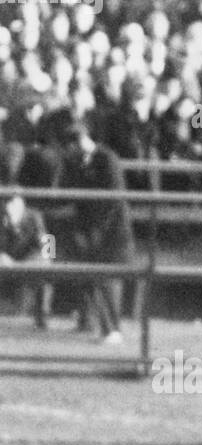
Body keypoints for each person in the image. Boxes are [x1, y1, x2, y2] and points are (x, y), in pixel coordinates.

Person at [60, 121, 134, 345]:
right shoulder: (80, 162)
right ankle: (96, 324)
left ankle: (113, 330)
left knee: (107, 280)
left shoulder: (107, 158)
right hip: (92, 230)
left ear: (80, 141)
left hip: (112, 230)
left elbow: (113, 198)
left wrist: (97, 229)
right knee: (92, 277)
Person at [0, 191, 52, 329]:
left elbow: (47, 240)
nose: (11, 206)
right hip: (6, 257)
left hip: (29, 258)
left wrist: (47, 260)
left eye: (16, 201)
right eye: (8, 202)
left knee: (43, 271)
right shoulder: (2, 217)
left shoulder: (34, 215)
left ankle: (42, 317)